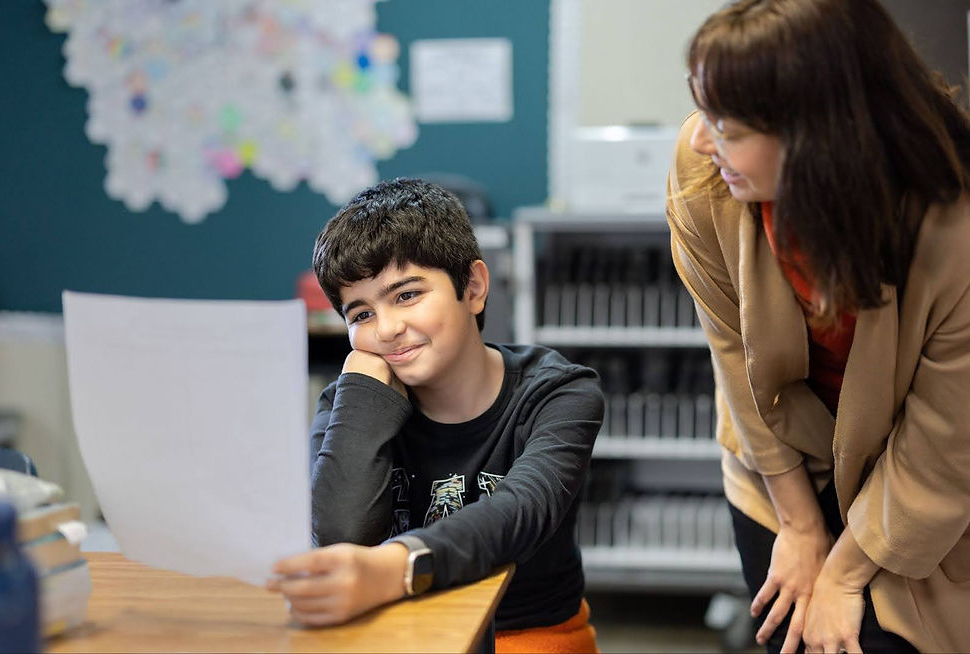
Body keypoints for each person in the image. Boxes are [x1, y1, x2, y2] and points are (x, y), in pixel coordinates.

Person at [666, 1, 970, 652]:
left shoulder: (953, 222)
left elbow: (947, 434)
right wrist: (800, 527)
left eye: (728, 125)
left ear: (818, 135)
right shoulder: (706, 175)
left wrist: (846, 570)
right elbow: (733, 355)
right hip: (782, 461)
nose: (699, 138)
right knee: (791, 637)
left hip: (914, 473)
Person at [266, 178, 604, 653]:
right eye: (360, 314)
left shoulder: (558, 392)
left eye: (406, 295)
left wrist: (399, 565)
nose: (387, 329)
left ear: (474, 287)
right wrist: (362, 392)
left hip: (526, 635)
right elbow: (341, 536)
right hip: (394, 629)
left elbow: (522, 513)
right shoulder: (349, 400)